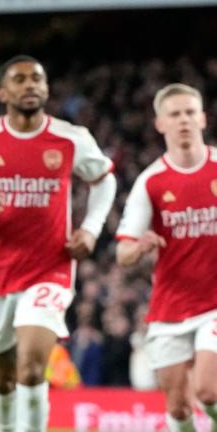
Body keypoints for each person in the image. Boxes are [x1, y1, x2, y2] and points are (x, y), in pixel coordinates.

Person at [0, 56, 116, 432]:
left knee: (33, 368)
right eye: (19, 79)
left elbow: (104, 180)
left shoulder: (71, 138)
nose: (30, 85)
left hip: (50, 269)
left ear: (47, 90)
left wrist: (91, 228)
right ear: (4, 92)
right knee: (3, 378)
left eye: (37, 78)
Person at [116, 83, 217, 432]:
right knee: (177, 405)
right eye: (175, 114)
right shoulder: (150, 182)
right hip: (171, 306)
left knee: (207, 389)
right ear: (161, 124)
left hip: (214, 304)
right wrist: (140, 246)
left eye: (190, 112)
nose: (184, 120)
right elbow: (122, 252)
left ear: (203, 117)